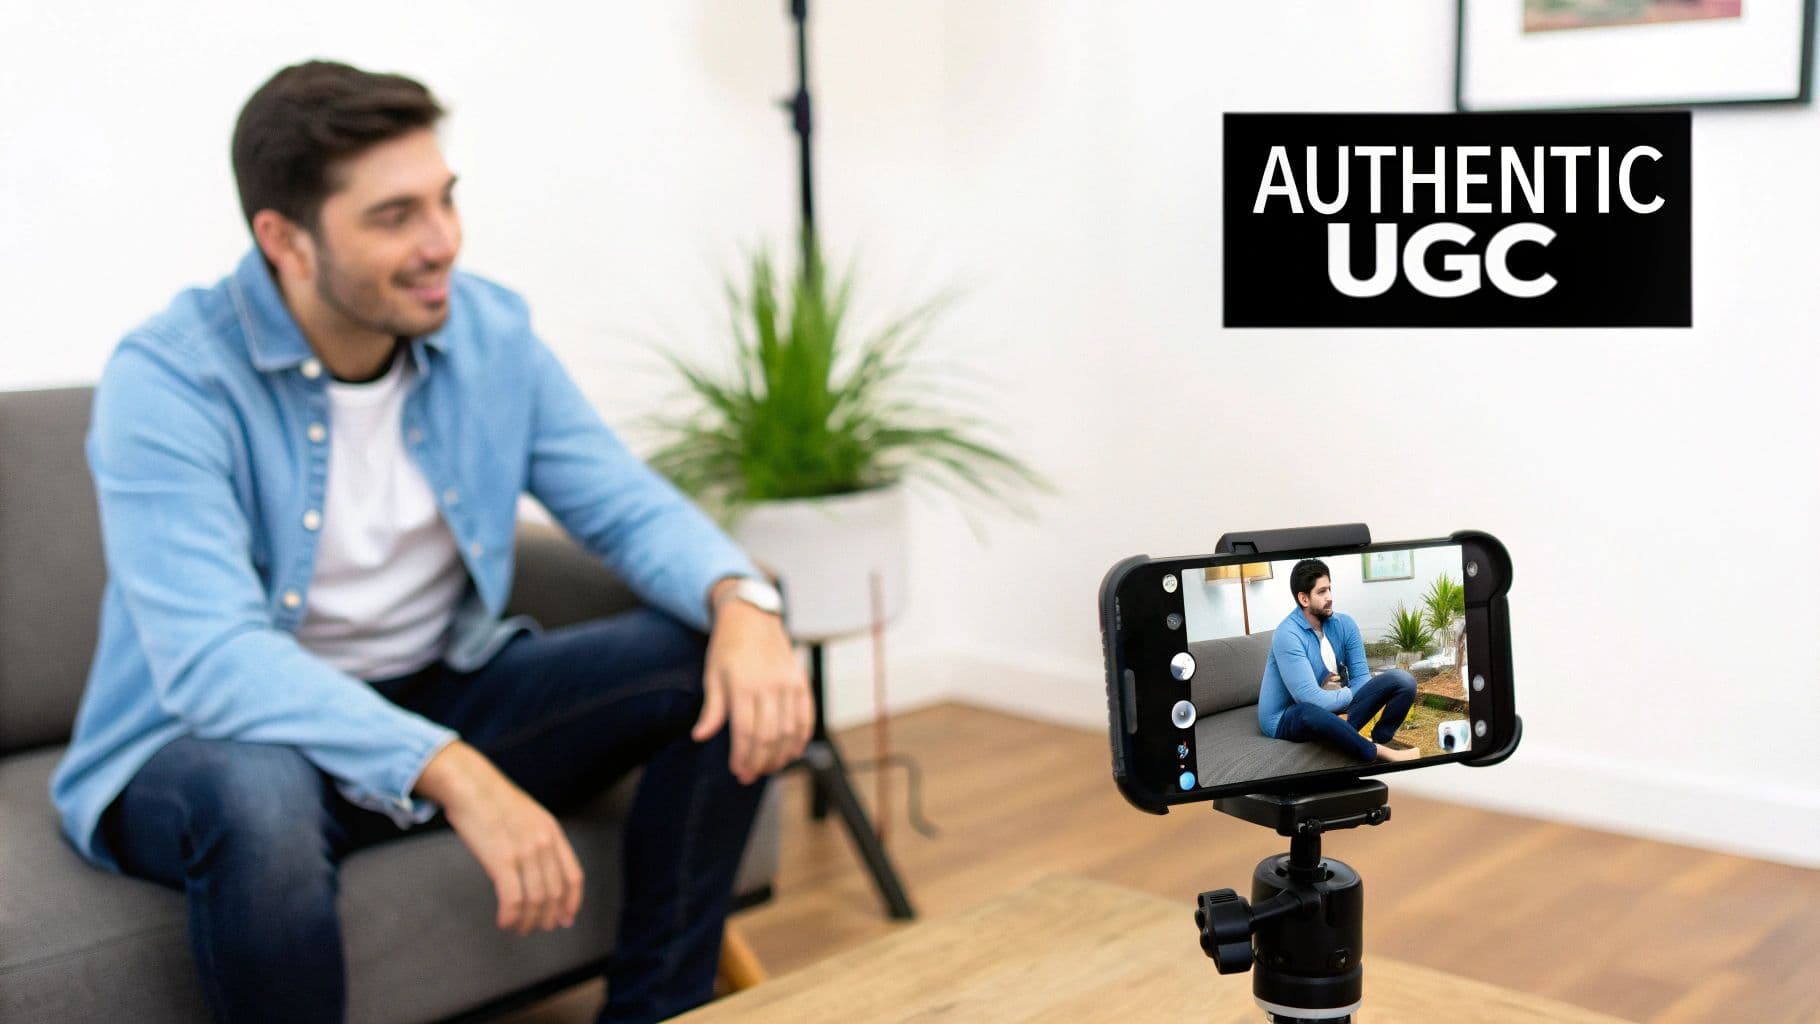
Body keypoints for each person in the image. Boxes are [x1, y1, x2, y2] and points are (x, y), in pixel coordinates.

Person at [48, 60, 812, 1024]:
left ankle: (656, 1009)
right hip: (217, 739)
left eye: (445, 202)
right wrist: (451, 770)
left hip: (433, 683)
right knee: (261, 800)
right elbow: (211, 659)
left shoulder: (490, 333)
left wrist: (741, 599)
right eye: (393, 216)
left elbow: (620, 501)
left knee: (710, 660)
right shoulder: (169, 381)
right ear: (282, 240)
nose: (441, 243)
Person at [1257, 559, 1420, 763]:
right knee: (1309, 711)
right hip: (1287, 716)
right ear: (1304, 598)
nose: (1330, 597)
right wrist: (1342, 694)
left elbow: (1361, 678)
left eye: (1330, 589)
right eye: (1322, 592)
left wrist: (1336, 698)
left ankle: (1380, 738)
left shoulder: (1345, 624)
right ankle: (1376, 751)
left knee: (1403, 681)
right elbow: (1309, 699)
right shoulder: (1287, 634)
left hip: (1331, 705)